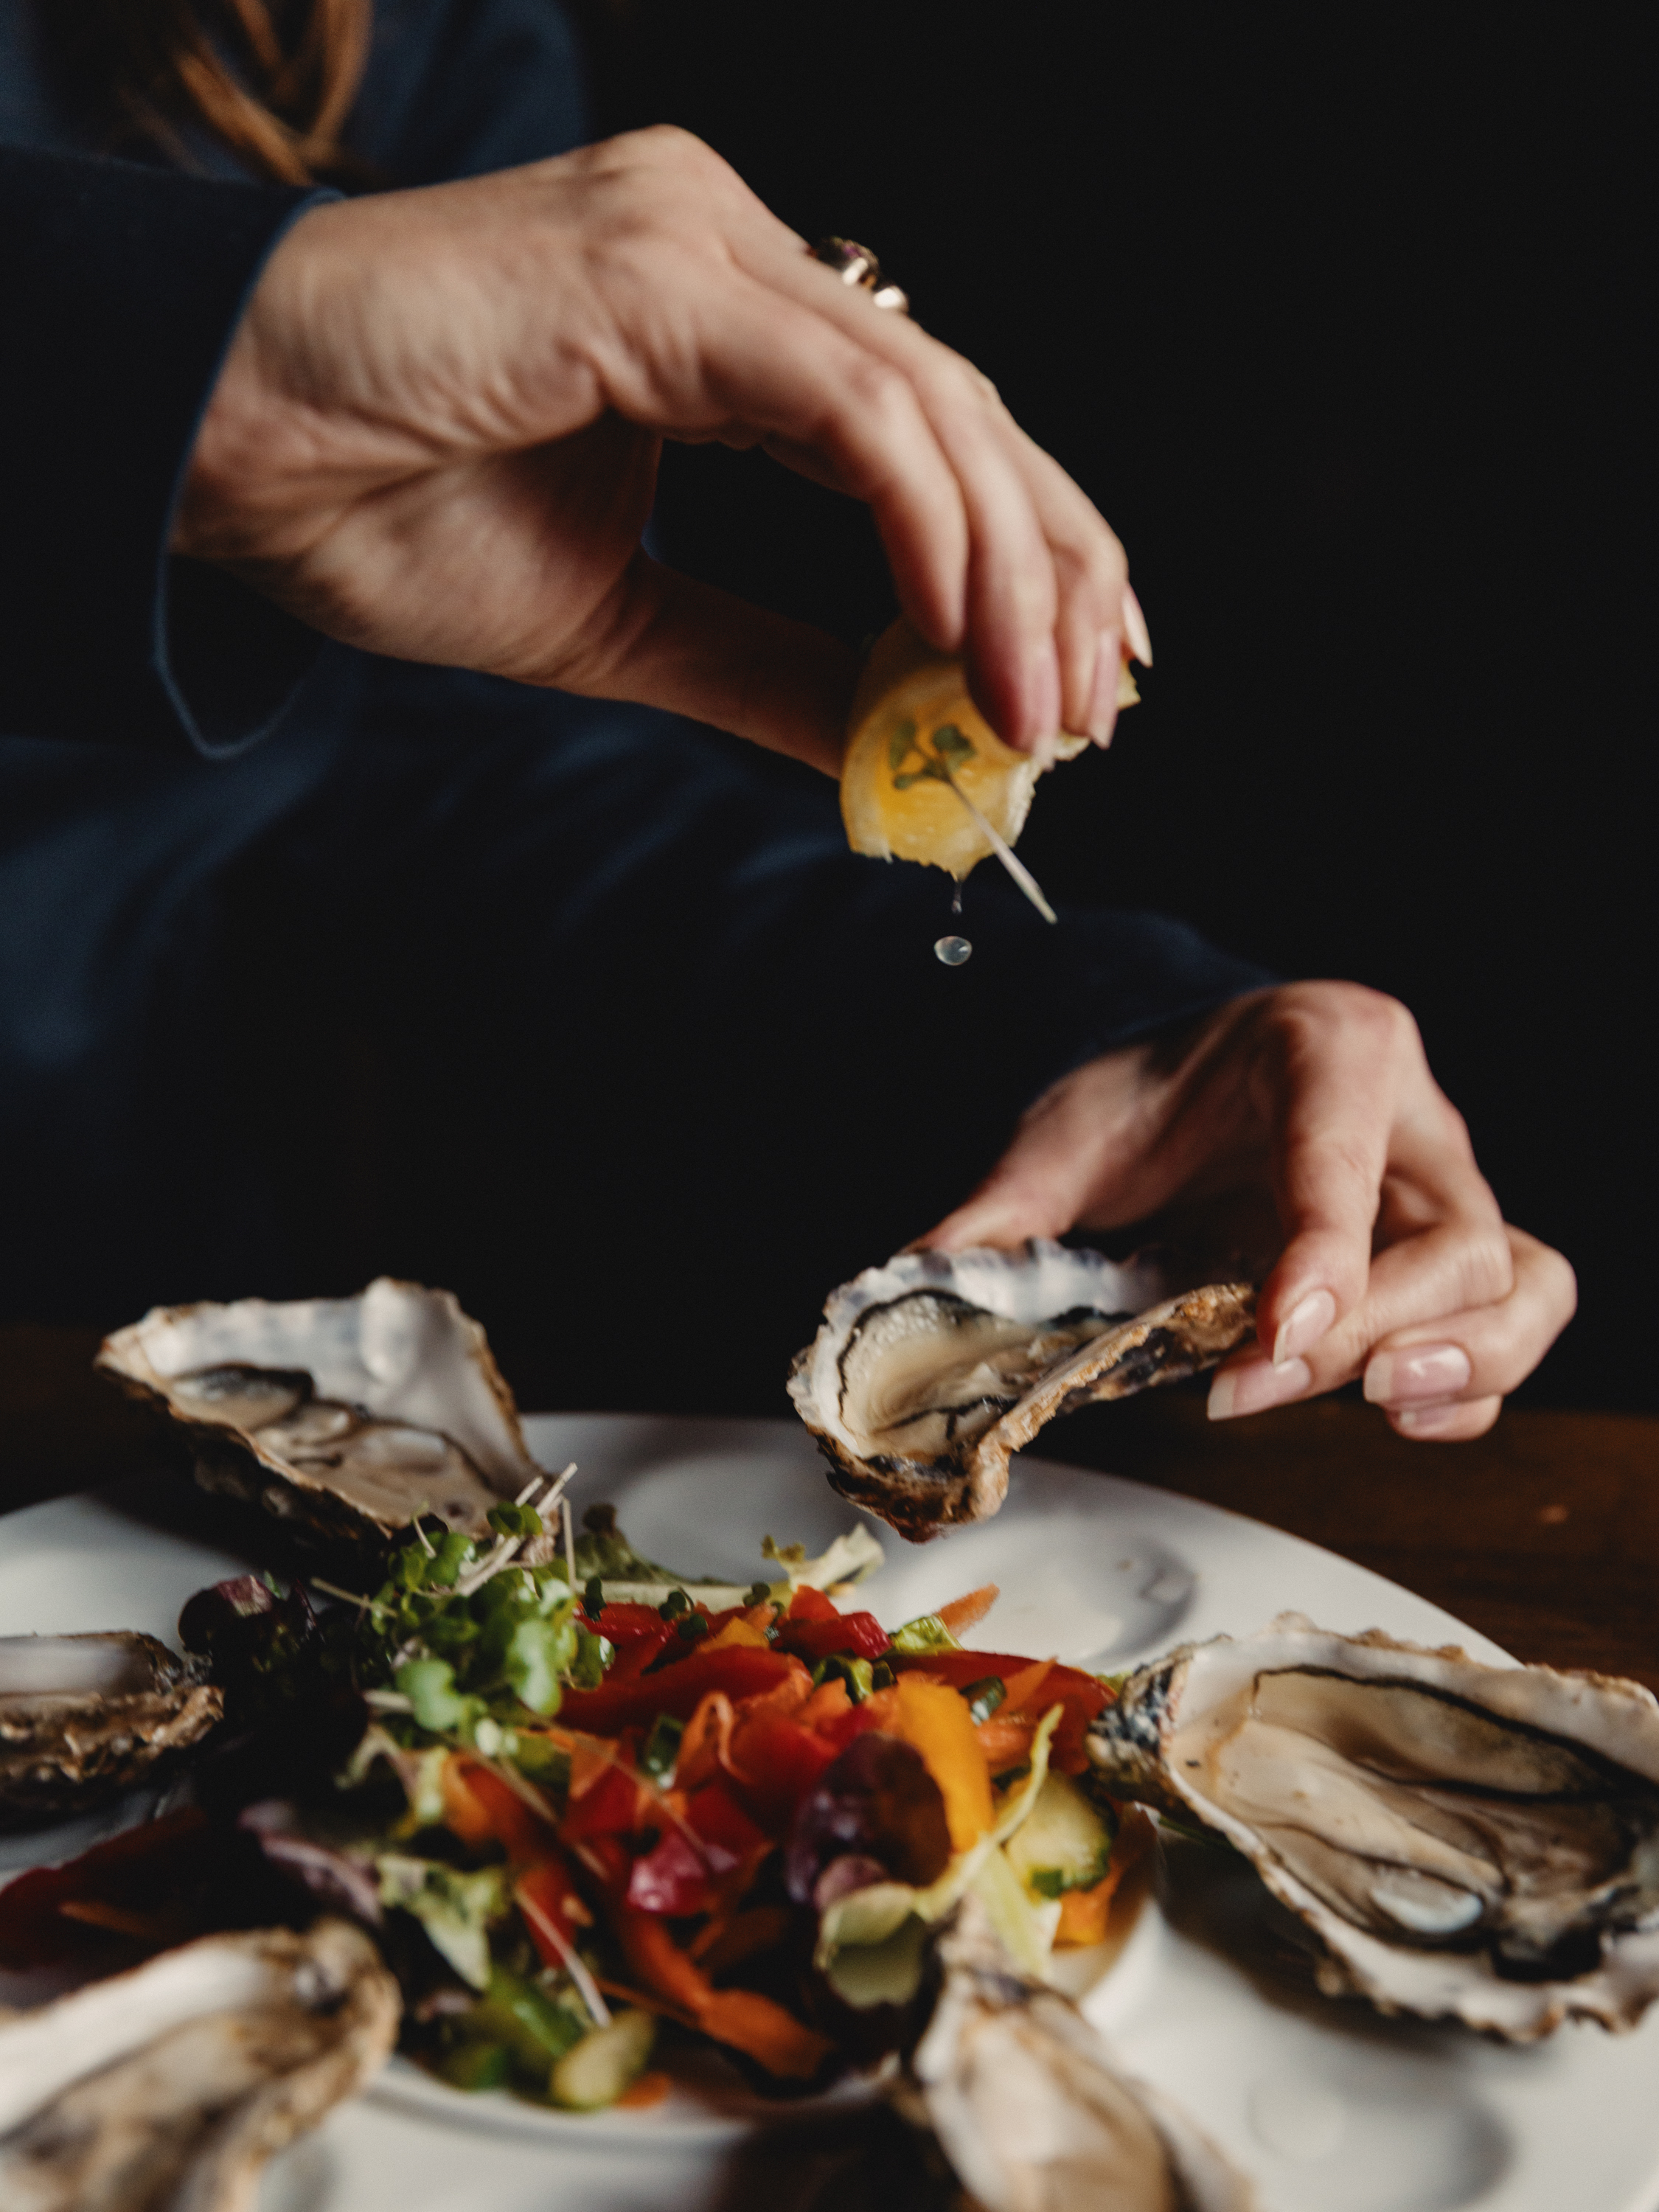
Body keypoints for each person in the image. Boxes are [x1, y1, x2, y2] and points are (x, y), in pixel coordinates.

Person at [1, 0, 1573, 1436]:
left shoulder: (387, 31)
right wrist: (183, 364)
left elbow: (467, 781)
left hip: (99, 1361)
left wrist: (1104, 1044)